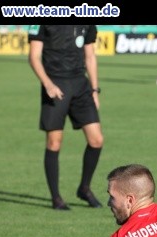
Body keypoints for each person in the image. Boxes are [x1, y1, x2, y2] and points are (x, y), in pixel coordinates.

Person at [28, 25, 104, 210]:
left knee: (96, 140)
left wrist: (94, 89)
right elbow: (34, 57)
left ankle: (84, 188)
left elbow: (90, 56)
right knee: (54, 142)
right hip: (55, 84)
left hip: (81, 85)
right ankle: (56, 198)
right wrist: (48, 84)